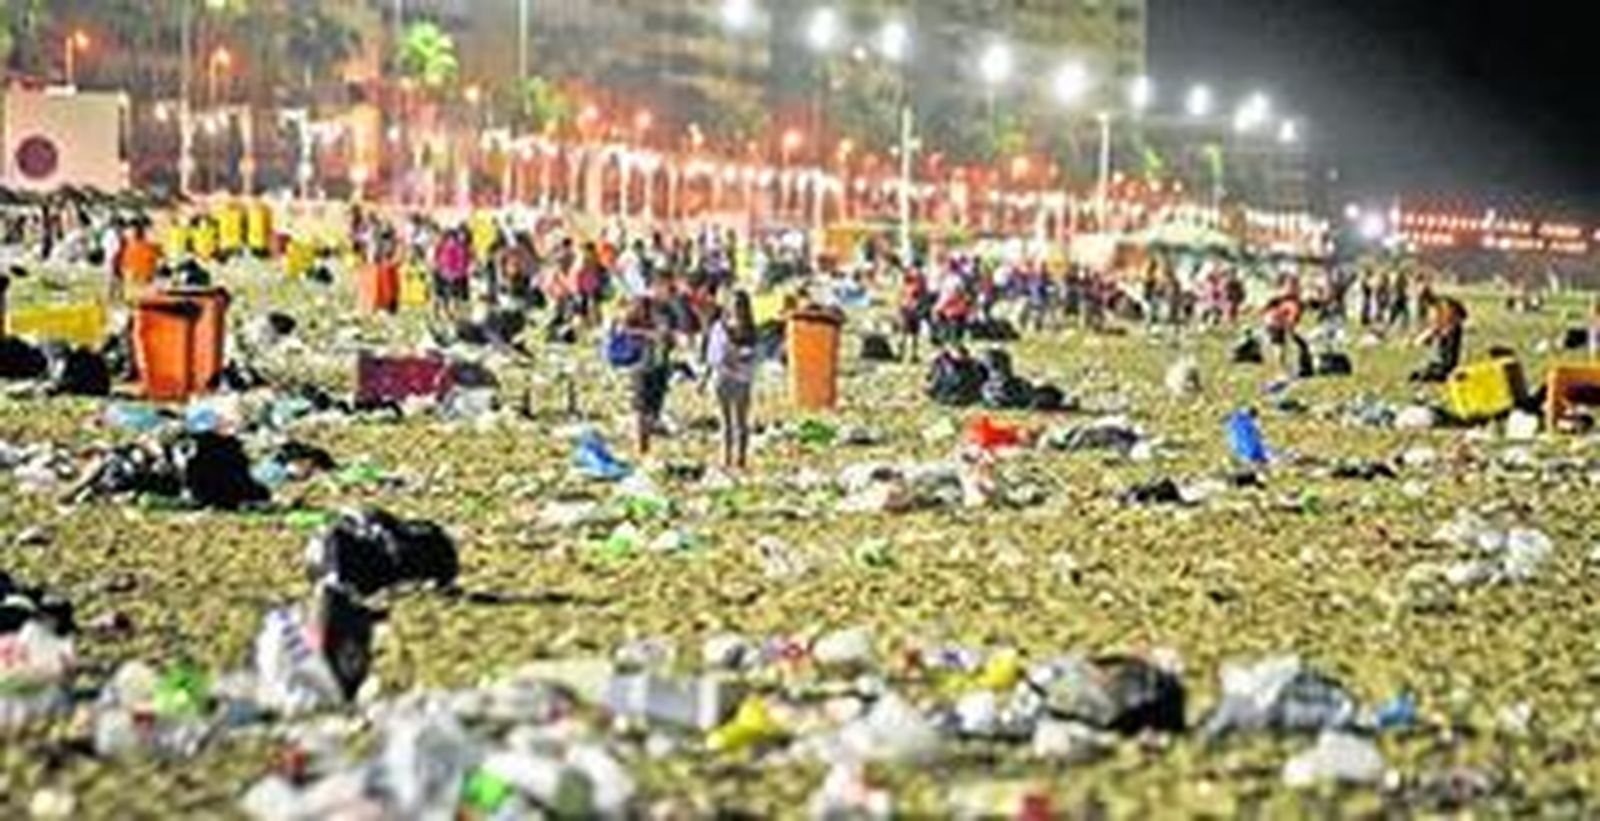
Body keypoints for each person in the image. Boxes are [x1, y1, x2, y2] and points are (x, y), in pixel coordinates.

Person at [706, 290, 758, 470]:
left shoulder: (750, 329)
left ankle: (740, 459)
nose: (736, 309)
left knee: (741, 422)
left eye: (739, 305)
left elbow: (753, 356)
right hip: (723, 378)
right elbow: (714, 356)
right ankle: (726, 458)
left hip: (742, 379)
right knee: (726, 421)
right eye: (734, 304)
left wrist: (735, 357)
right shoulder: (720, 327)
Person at [622, 288, 676, 457]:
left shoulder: (669, 310)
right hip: (641, 363)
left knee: (654, 406)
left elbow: (670, 336)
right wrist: (649, 335)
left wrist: (668, 340)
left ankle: (647, 446)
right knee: (641, 407)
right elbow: (625, 328)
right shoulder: (642, 305)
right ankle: (641, 449)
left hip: (660, 363)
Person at [1411, 293, 1468, 382]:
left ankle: (1446, 371)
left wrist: (1440, 330)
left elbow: (1449, 321)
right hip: (1438, 361)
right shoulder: (1436, 311)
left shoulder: (1445, 307)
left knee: (1450, 351)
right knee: (1420, 373)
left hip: (1454, 328)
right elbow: (1435, 326)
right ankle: (1436, 369)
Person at [433, 227, 471, 322]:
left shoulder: (458, 248)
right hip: (447, 275)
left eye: (452, 238)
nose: (451, 240)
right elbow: (440, 260)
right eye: (450, 238)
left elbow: (462, 262)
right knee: (447, 295)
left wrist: (457, 272)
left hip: (452, 275)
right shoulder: (445, 247)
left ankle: (451, 314)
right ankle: (446, 313)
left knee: (451, 296)